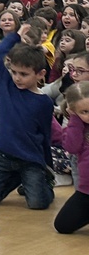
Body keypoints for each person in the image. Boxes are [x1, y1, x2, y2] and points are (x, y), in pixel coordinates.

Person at [0, 23, 54, 210]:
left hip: (30, 160)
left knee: (38, 204)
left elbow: (45, 134)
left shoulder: (44, 102)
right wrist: (15, 37)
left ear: (40, 74)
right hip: (3, 157)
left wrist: (47, 164)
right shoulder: (6, 85)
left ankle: (43, 183)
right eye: (14, 72)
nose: (17, 78)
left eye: (24, 74)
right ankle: (17, 179)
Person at [55, 81, 89, 234]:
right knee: (62, 226)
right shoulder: (76, 126)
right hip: (85, 191)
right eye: (84, 112)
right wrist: (74, 120)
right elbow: (72, 147)